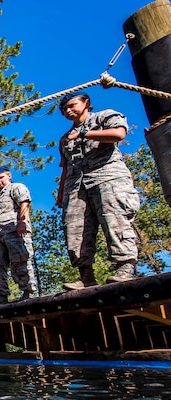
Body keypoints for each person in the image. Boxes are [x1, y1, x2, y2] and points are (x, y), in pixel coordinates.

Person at [57, 92, 141, 290]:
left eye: (72, 105)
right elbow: (66, 167)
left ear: (86, 103)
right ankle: (86, 275)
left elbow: (119, 134)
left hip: (108, 177)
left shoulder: (103, 117)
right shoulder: (65, 138)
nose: (69, 111)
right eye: (64, 110)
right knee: (75, 229)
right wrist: (61, 192)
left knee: (115, 221)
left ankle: (124, 268)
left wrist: (85, 134)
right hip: (76, 185)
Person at [0, 166, 36, 302]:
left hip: (15, 230)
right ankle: (2, 296)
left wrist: (22, 222)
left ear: (8, 175)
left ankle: (28, 292)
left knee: (20, 261)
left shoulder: (16, 187)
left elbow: (24, 203)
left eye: (1, 177)